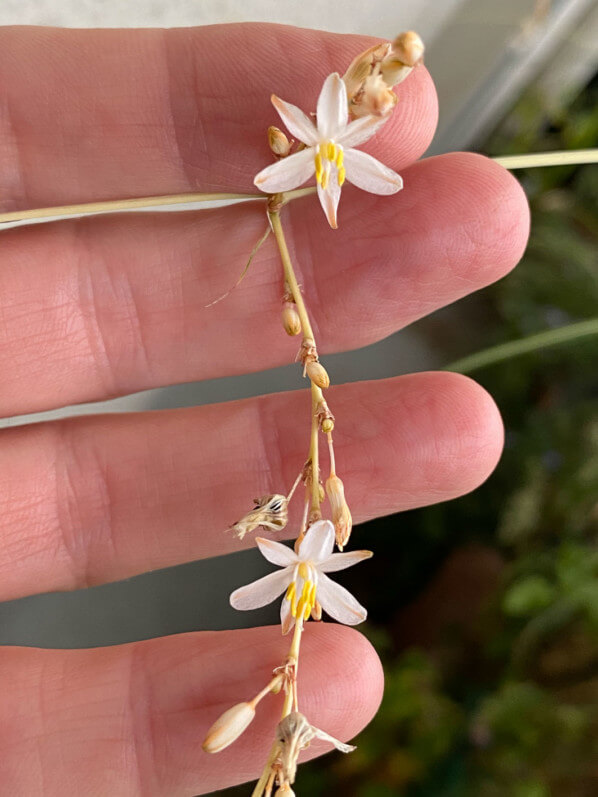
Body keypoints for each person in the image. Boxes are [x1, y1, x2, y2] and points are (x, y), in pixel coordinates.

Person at [0, 22, 529, 795]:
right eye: (322, 153)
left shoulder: (331, 162)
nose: (327, 169)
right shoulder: (318, 156)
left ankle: (277, 748)